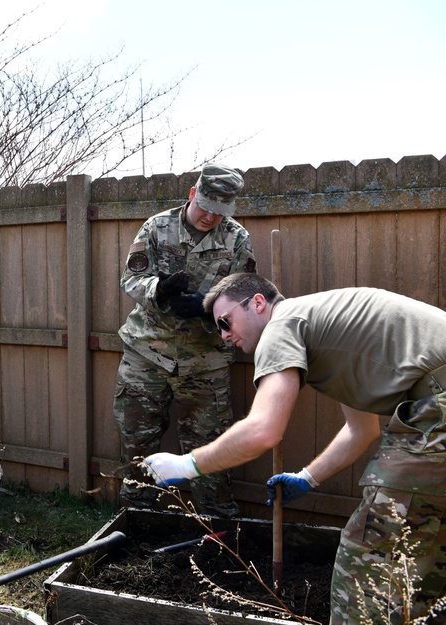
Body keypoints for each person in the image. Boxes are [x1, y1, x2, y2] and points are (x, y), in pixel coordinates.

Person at [143, 272, 446, 624]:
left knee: (366, 562)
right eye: (218, 329)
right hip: (432, 403)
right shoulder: (331, 334)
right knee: (426, 560)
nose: (225, 336)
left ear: (257, 303)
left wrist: (187, 466)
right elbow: (361, 431)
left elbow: (263, 430)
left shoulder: (282, 324)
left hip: (436, 408)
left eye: (225, 322)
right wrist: (307, 478)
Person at [115, 162, 256, 518]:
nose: (211, 217)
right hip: (147, 354)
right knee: (137, 441)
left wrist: (208, 308)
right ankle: (137, 519)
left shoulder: (237, 239)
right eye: (206, 207)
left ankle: (219, 531)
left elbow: (244, 296)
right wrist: (158, 290)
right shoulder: (157, 227)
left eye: (220, 212)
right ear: (193, 194)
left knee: (210, 448)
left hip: (204, 360)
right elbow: (132, 279)